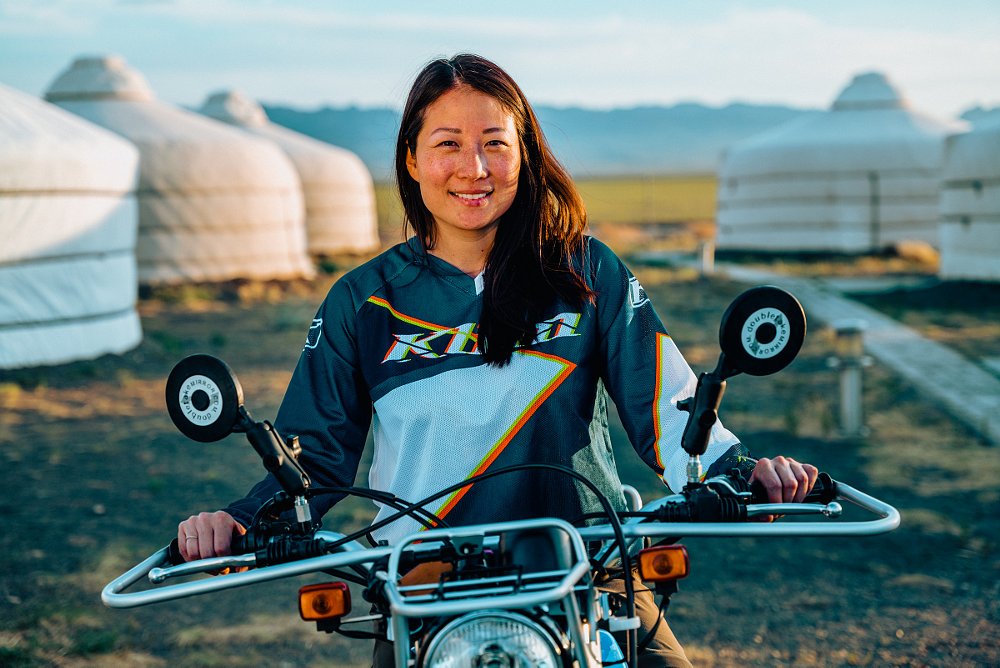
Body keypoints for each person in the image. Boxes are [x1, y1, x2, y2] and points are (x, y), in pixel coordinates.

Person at [177, 53, 818, 667]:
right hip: (424, 586)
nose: (474, 168)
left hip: (587, 569)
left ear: (523, 154)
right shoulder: (363, 301)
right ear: (412, 157)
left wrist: (740, 473)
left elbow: (667, 406)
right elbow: (311, 455)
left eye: (494, 143)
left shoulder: (584, 272)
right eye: (448, 144)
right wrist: (238, 522)